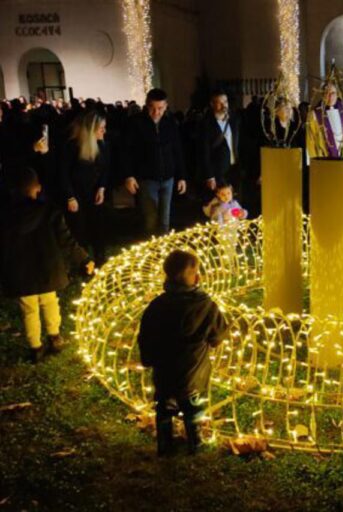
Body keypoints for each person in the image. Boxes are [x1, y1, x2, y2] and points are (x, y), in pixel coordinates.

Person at [137, 250, 227, 455]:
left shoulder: (157, 305)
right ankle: (196, 444)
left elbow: (146, 336)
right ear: (196, 277)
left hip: (164, 372)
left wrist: (148, 358)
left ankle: (165, 445)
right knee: (194, 408)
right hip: (193, 373)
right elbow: (217, 336)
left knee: (164, 408)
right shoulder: (206, 306)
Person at [0, 167, 94, 363]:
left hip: (21, 273)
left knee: (29, 309)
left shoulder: (6, 217)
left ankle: (35, 346)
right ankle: (54, 336)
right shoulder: (49, 212)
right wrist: (85, 259)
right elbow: (66, 240)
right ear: (38, 188)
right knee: (50, 301)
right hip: (47, 269)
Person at [122, 88, 187, 236]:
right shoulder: (135, 123)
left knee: (165, 219)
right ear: (146, 105)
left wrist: (182, 176)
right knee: (150, 218)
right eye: (152, 108)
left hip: (168, 177)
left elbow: (177, 151)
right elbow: (126, 151)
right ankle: (150, 246)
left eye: (160, 108)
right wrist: (129, 175)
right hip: (147, 178)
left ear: (166, 106)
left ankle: (162, 247)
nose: (156, 112)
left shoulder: (170, 123)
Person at [60, 110, 111, 266]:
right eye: (101, 128)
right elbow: (63, 173)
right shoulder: (72, 147)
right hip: (77, 195)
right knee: (79, 228)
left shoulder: (101, 145)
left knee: (98, 226)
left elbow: (106, 168)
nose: (104, 131)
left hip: (95, 193)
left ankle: (100, 257)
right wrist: (70, 196)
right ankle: (83, 262)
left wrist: (102, 188)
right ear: (90, 129)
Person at [306, 81, 343, 161]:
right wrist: (312, 164)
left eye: (333, 93)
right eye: (327, 93)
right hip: (325, 160)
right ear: (322, 95)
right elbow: (311, 143)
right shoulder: (315, 115)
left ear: (337, 94)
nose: (330, 96)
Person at [198, 90, 240, 198]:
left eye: (225, 102)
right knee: (219, 205)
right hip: (217, 172)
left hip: (234, 168)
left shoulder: (233, 120)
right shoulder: (206, 124)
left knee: (235, 205)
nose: (224, 105)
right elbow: (204, 151)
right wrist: (209, 176)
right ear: (212, 104)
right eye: (219, 103)